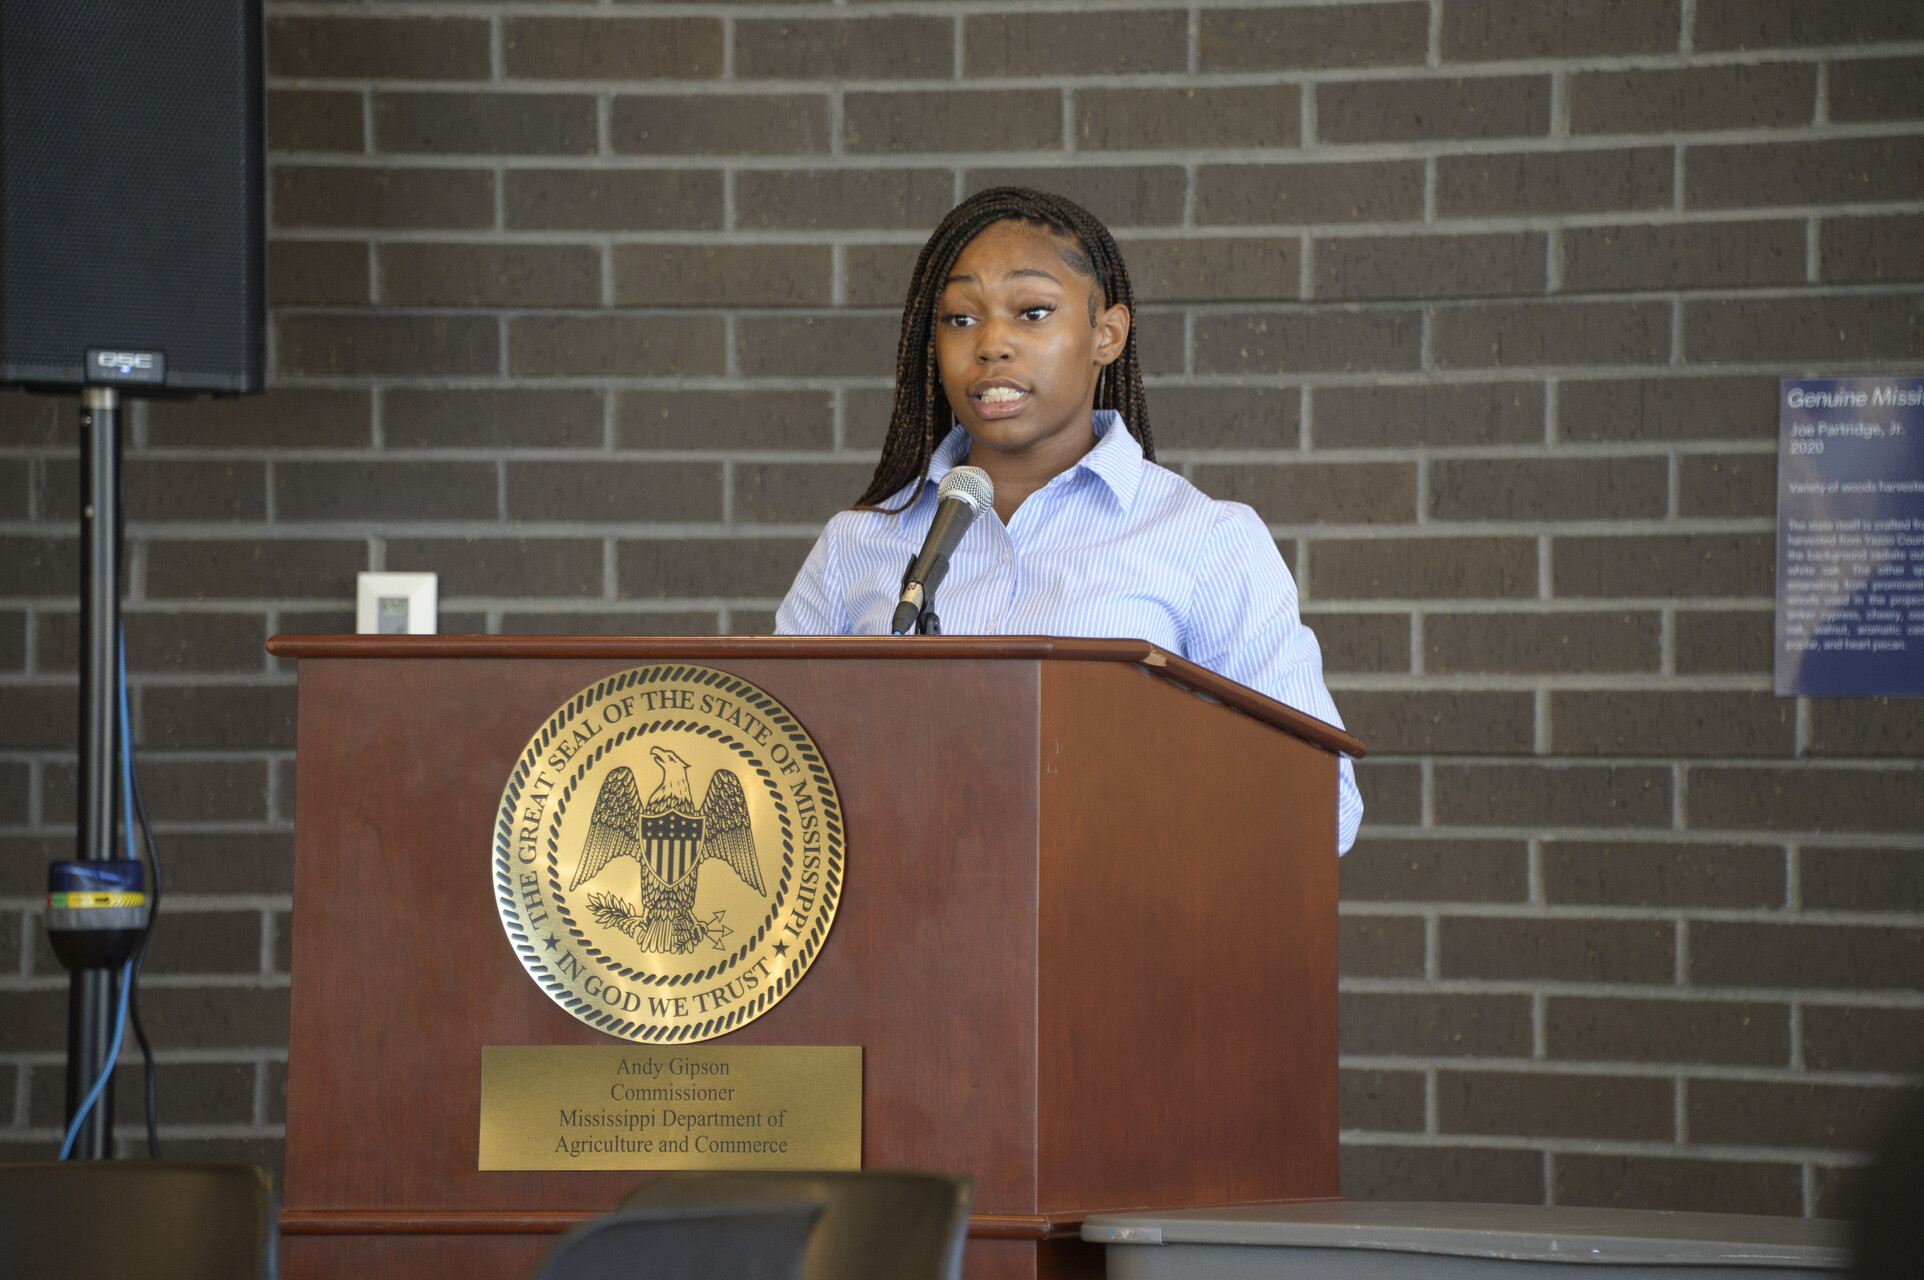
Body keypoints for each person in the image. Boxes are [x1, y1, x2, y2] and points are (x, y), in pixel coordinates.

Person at [776, 187, 1362, 853]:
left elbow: (1325, 809)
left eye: (1031, 312)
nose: (992, 344)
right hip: (900, 938)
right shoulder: (861, 542)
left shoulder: (1204, 541)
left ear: (1106, 334)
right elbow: (770, 770)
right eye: (961, 320)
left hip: (1119, 933)